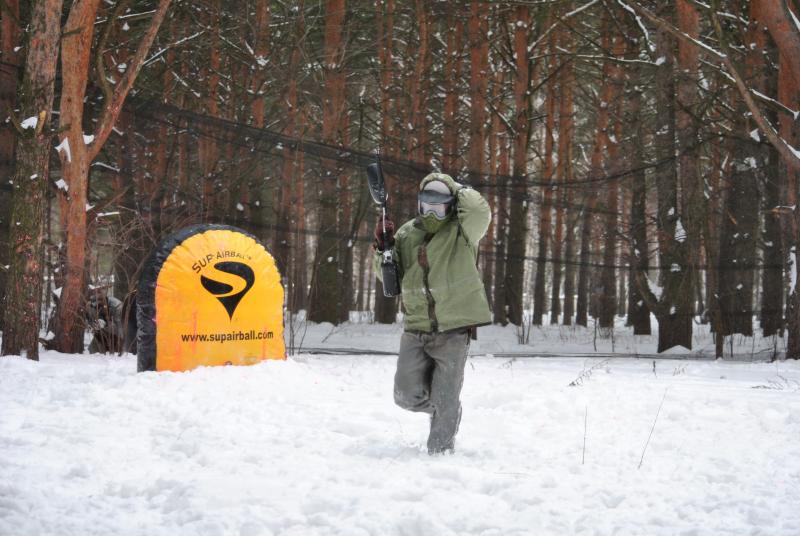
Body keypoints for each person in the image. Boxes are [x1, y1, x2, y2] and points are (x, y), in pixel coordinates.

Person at [374, 172, 492, 455]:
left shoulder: (463, 230)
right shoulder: (406, 233)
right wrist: (382, 248)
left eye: (439, 206)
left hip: (454, 330)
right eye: (427, 205)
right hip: (416, 328)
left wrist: (454, 186)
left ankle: (440, 456)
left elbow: (479, 211)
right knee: (404, 395)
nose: (431, 212)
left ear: (451, 205)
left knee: (445, 396)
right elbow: (389, 279)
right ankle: (445, 410)